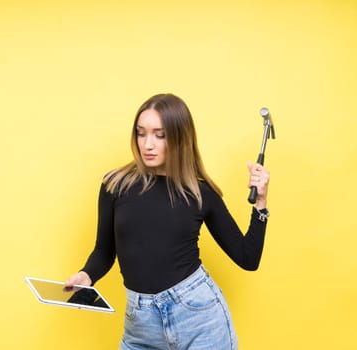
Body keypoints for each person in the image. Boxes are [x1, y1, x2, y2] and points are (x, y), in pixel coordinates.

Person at [65, 93, 270, 350]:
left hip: (199, 319)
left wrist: (260, 202)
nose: (147, 144)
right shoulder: (114, 185)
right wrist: (87, 275)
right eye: (141, 133)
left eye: (159, 135)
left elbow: (247, 258)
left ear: (179, 138)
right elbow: (104, 251)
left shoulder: (200, 193)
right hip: (140, 326)